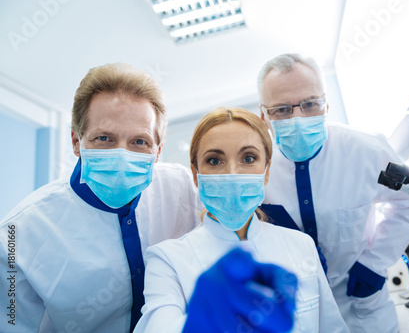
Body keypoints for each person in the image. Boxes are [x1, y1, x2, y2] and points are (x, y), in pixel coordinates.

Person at [0, 63, 201, 333]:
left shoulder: (181, 187)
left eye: (139, 142)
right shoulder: (17, 235)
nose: (122, 154)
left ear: (158, 150)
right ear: (76, 141)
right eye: (104, 138)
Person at [133, 107, 349, 333]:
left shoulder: (301, 244)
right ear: (196, 175)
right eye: (215, 161)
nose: (232, 173)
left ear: (266, 171)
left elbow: (334, 328)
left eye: (248, 158)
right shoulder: (167, 260)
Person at [257, 53, 409, 332]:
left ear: (326, 105)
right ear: (264, 115)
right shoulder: (254, 167)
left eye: (310, 104)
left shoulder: (367, 150)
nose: (298, 117)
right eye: (283, 110)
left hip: (363, 307)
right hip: (295, 312)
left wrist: (373, 263)